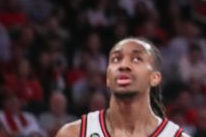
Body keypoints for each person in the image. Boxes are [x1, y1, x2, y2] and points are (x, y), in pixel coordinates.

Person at [56, 39, 184, 137]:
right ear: (107, 78)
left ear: (154, 78)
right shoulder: (73, 133)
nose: (123, 66)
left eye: (136, 59)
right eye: (116, 59)